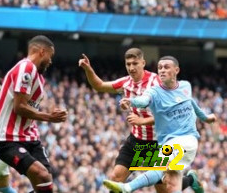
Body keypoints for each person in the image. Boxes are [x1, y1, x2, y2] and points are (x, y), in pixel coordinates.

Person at [78, 48, 202, 192]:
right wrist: (88, 69)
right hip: (136, 140)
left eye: (135, 63)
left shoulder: (158, 83)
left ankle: (191, 179)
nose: (131, 67)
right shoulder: (126, 83)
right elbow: (99, 86)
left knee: (164, 189)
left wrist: (141, 121)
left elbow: (169, 115)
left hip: (157, 142)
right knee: (116, 177)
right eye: (128, 64)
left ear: (143, 63)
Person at [103, 56, 217, 193]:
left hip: (186, 140)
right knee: (168, 186)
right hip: (165, 143)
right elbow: (144, 100)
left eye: (166, 67)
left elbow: (190, 102)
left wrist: (205, 117)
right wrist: (131, 101)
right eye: (160, 68)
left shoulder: (186, 86)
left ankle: (127, 187)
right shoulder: (154, 92)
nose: (162, 70)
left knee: (160, 168)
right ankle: (192, 180)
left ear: (176, 70)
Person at [0, 35, 67, 193]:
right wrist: (49, 117)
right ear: (42, 52)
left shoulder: (38, 77)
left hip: (29, 137)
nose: (51, 62)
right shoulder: (26, 68)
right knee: (42, 176)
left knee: (45, 183)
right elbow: (19, 107)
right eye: (50, 57)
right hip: (8, 139)